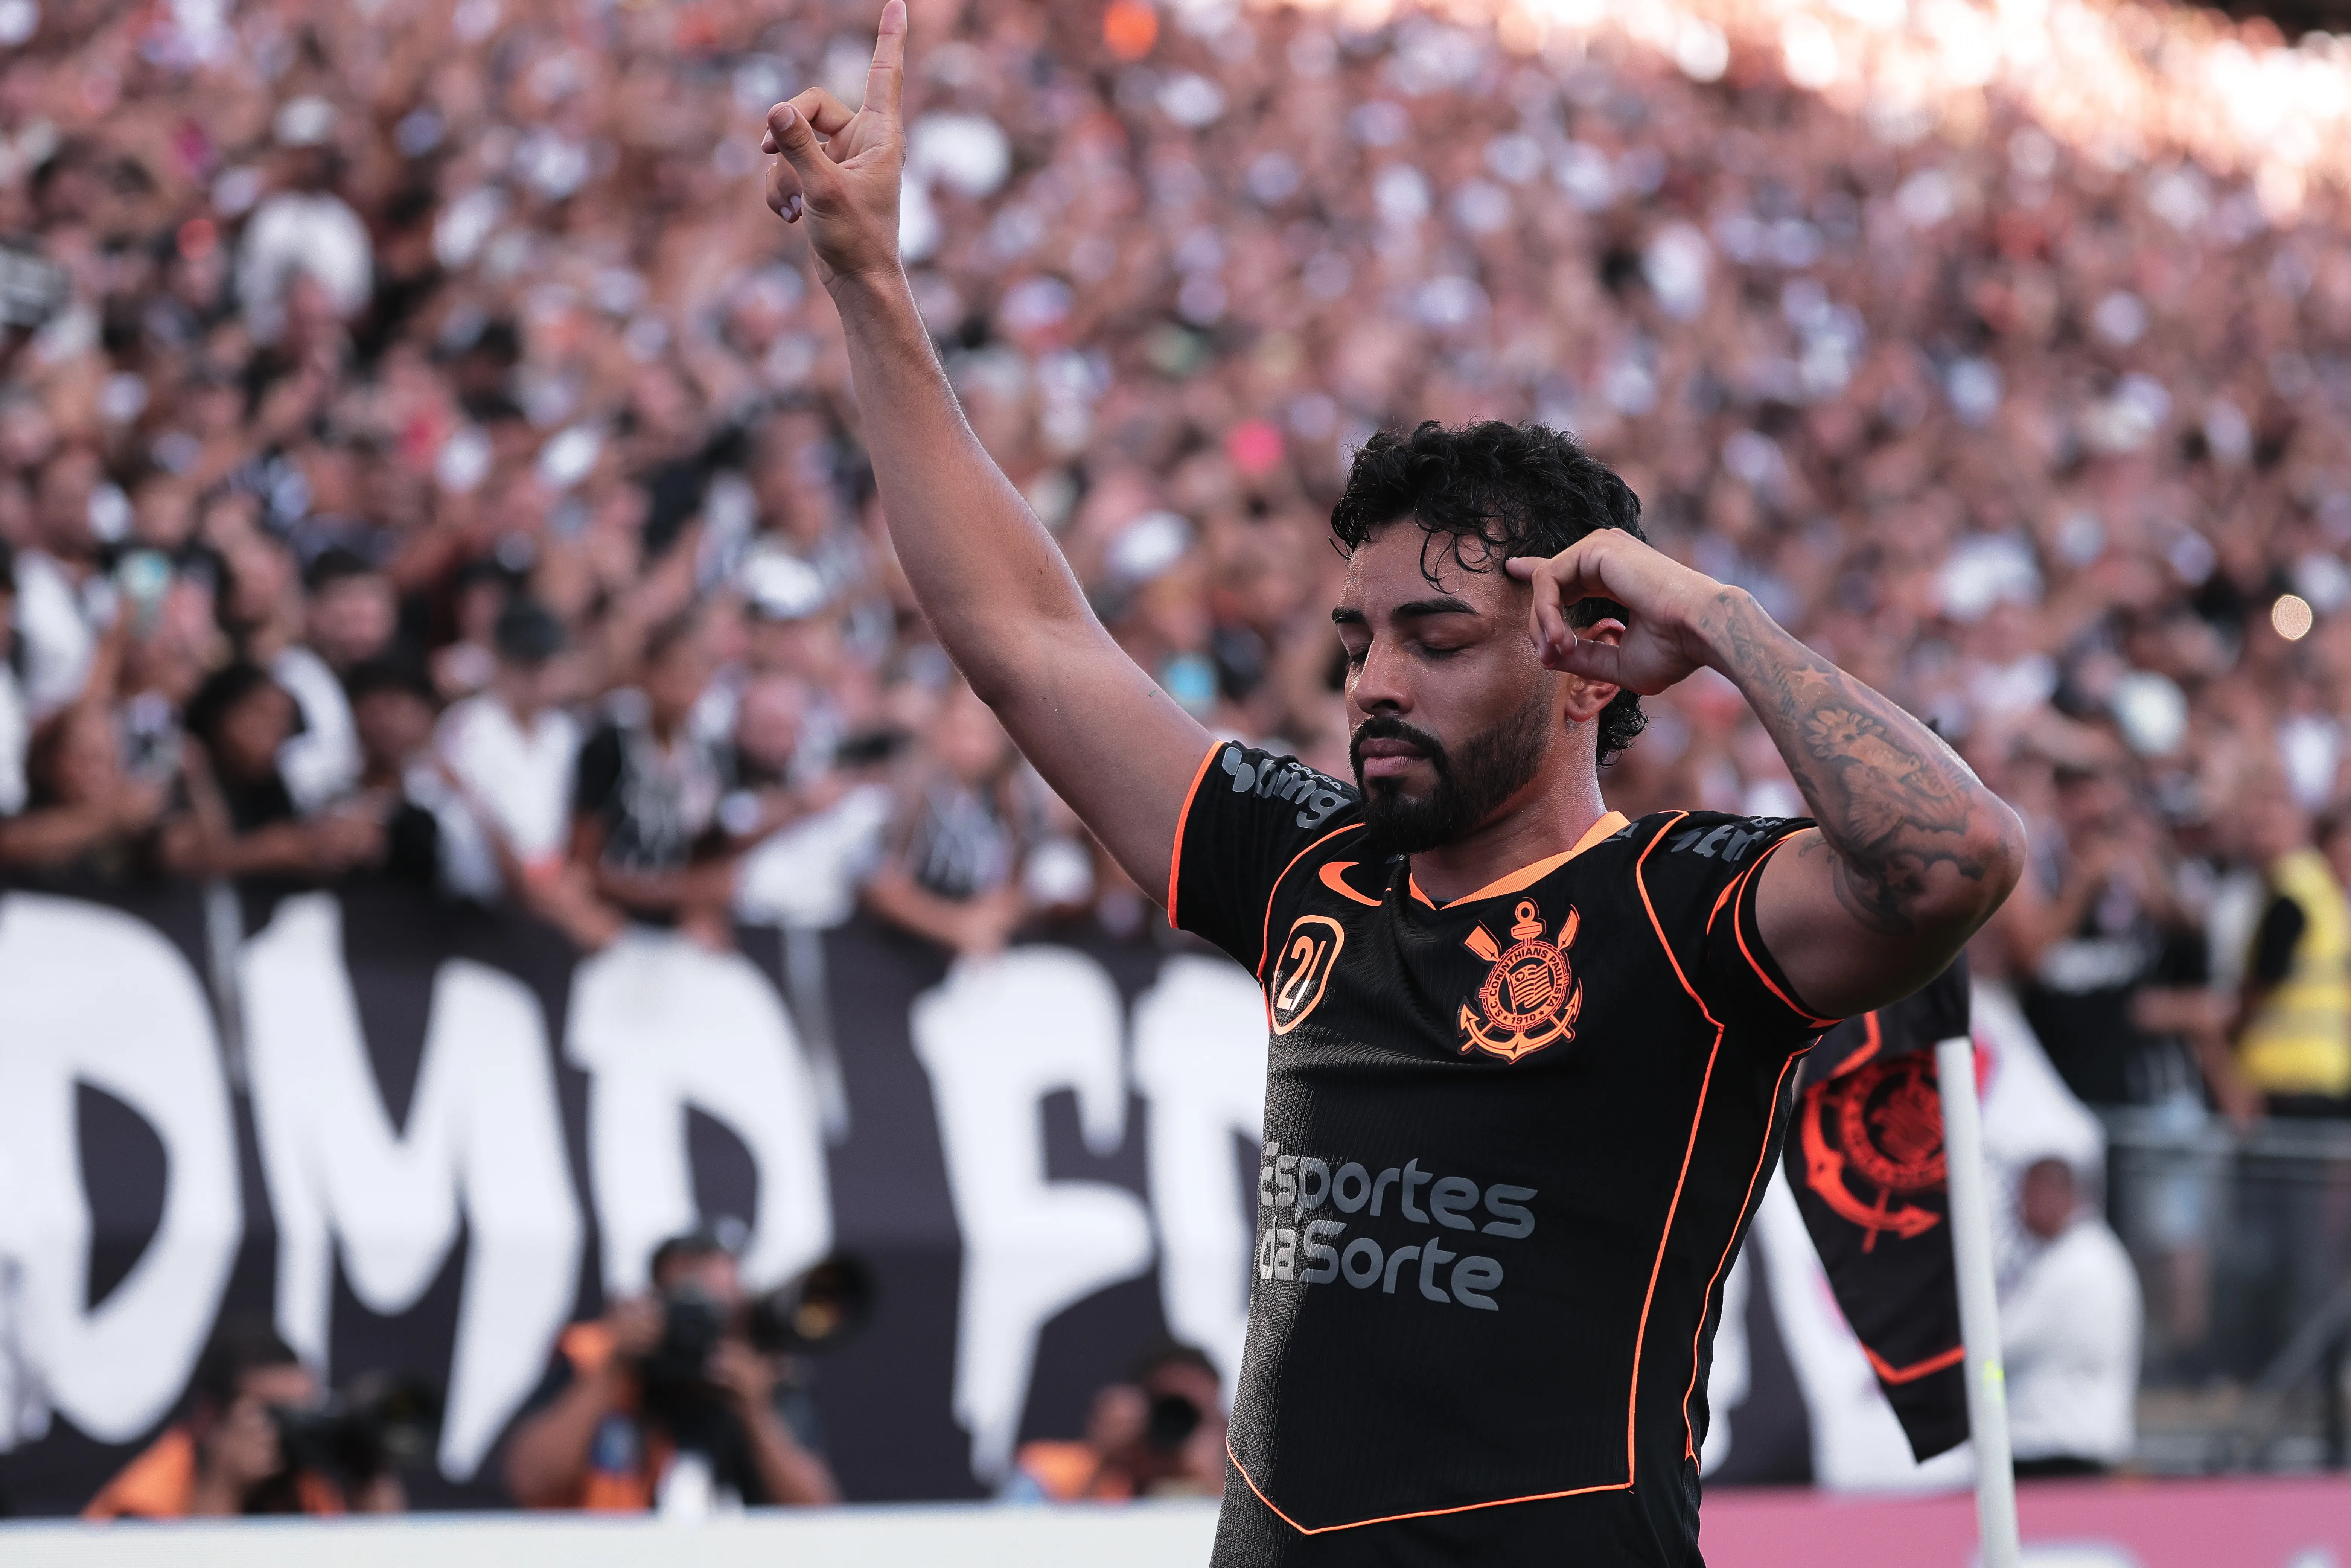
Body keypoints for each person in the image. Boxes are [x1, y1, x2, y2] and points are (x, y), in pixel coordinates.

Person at [758, 17, 2025, 1563]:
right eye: (1357, 636)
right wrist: (868, 282)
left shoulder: (1690, 911)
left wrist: (1720, 619)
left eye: (1434, 637)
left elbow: (1954, 854)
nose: (1373, 680)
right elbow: (1027, 641)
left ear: (1586, 666)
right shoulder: (1309, 867)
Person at [503, 1227, 838, 1513]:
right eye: (686, 1308)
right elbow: (531, 1481)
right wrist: (613, 1365)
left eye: (717, 1311)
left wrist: (756, 1413)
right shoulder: (605, 1365)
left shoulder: (760, 1380)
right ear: (654, 1303)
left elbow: (815, 1518)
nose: (698, 1328)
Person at [84, 1317, 401, 1518]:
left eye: (303, 1411)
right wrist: (224, 1486)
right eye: (275, 1413)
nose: (290, 1429)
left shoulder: (300, 1483)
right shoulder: (148, 1496)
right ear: (211, 1419)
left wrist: (367, 1466)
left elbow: (383, 1556)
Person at [2000, 1159, 2143, 1479]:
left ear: (2056, 1193)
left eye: (2027, 1196)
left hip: (2061, 1452)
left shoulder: (2076, 1263)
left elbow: (1998, 1343)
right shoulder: (2080, 1254)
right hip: (2063, 1445)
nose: (2017, 1209)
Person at [1008, 1342, 1229, 1503]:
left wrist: (1215, 1481)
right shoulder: (1049, 1473)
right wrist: (1104, 1462)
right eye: (1167, 1409)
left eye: (1192, 1413)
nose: (1177, 1423)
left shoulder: (1246, 1480)